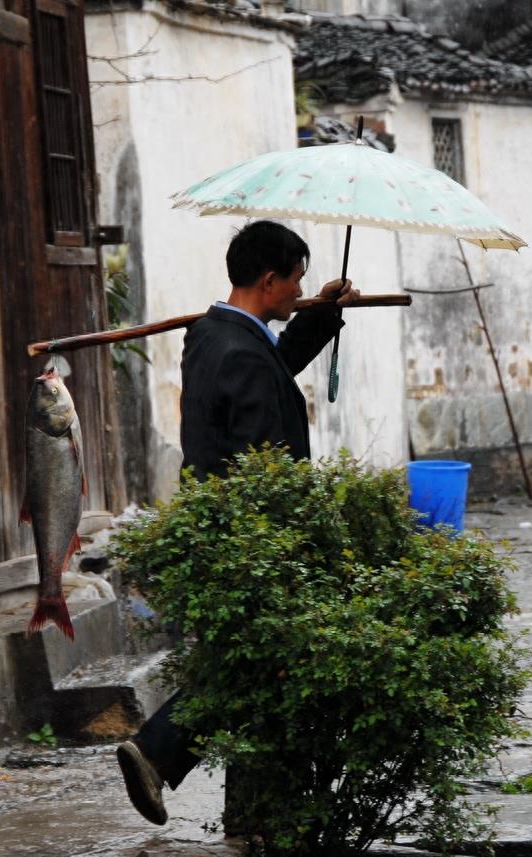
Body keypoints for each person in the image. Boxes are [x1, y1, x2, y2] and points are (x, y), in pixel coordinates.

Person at [115, 220, 359, 825]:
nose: (300, 287)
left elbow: (269, 367)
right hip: (254, 537)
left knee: (253, 663)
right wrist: (296, 541)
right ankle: (156, 750)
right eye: (297, 279)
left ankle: (250, 810)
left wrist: (320, 316)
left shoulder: (212, 336)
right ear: (270, 279)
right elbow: (263, 458)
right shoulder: (238, 351)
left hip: (223, 530)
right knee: (254, 663)